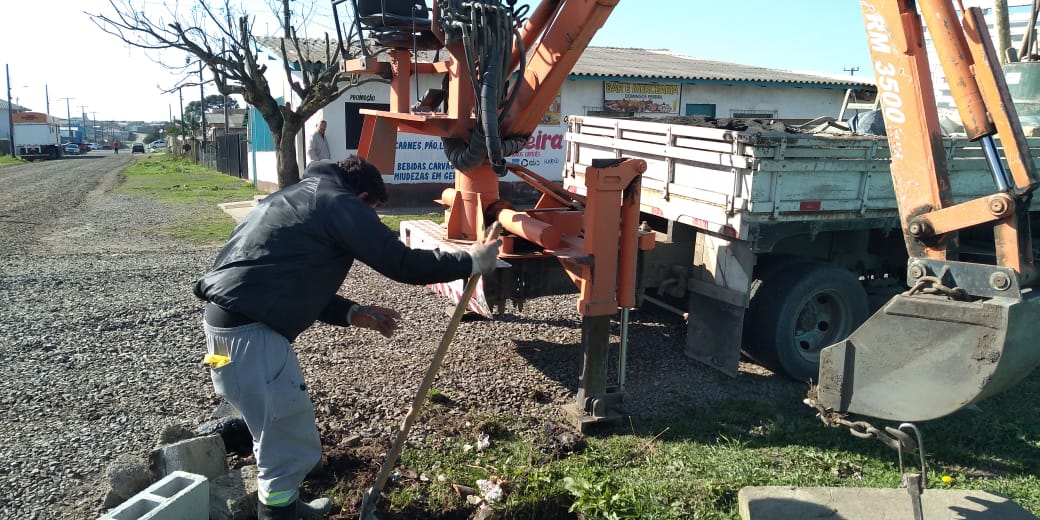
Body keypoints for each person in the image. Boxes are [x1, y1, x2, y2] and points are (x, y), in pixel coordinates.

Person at [193, 156, 501, 520]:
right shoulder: (338, 201)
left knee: (272, 430)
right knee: (286, 446)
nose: (369, 219)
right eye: (372, 211)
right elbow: (401, 262)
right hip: (250, 338)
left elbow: (281, 281)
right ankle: (278, 513)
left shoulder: (296, 197)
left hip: (223, 335)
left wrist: (351, 312)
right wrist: (470, 261)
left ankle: (288, 505)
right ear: (364, 197)